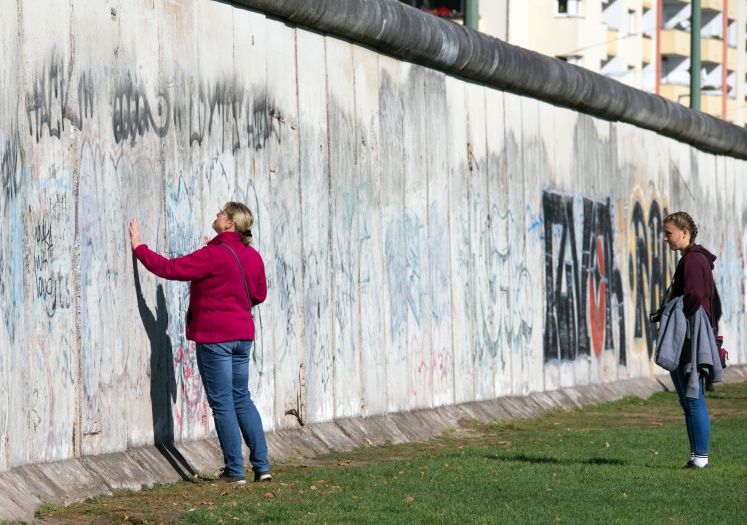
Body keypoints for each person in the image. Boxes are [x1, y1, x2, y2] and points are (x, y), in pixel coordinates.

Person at [129, 202, 271, 484]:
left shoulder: (214, 254)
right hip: (243, 337)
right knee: (241, 397)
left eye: (221, 212)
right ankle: (262, 467)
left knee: (222, 403)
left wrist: (139, 248)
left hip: (216, 337)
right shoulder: (251, 255)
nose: (216, 213)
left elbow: (170, 268)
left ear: (230, 222)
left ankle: (234, 471)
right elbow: (259, 294)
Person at [662, 211, 718, 469]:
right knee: (689, 397)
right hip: (693, 333)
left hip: (689, 336)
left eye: (669, 233)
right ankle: (698, 456)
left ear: (684, 233)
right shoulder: (696, 258)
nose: (666, 238)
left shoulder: (694, 260)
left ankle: (700, 458)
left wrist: (678, 315)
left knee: (692, 396)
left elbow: (694, 295)